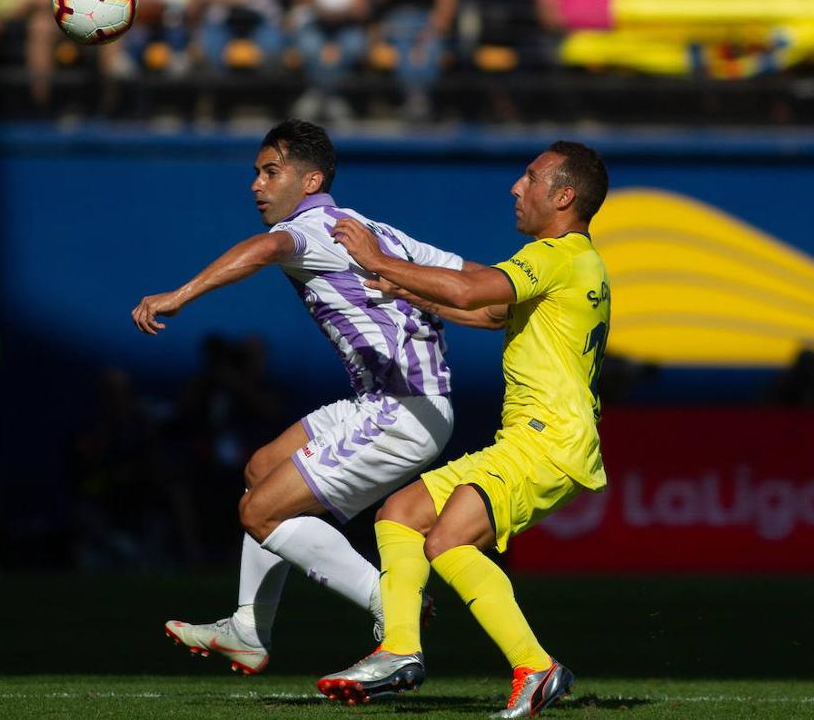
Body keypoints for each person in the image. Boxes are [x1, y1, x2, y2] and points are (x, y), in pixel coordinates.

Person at [132, 119, 465, 673]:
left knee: (258, 513)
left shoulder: (314, 228)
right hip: (383, 402)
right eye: (256, 172)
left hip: (399, 409)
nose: (256, 184)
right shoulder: (370, 228)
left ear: (309, 181)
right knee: (262, 470)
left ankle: (391, 602)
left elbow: (265, 249)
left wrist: (180, 295)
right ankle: (248, 629)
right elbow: (471, 277)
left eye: (270, 171)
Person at [317, 141, 611, 719]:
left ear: (564, 196)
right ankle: (399, 650)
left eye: (530, 177)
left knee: (447, 540)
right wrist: (407, 288)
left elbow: (473, 290)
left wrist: (379, 261)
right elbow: (490, 312)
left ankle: (535, 667)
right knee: (400, 513)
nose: (515, 187)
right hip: (537, 440)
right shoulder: (575, 263)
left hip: (547, 439)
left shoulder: (556, 255)